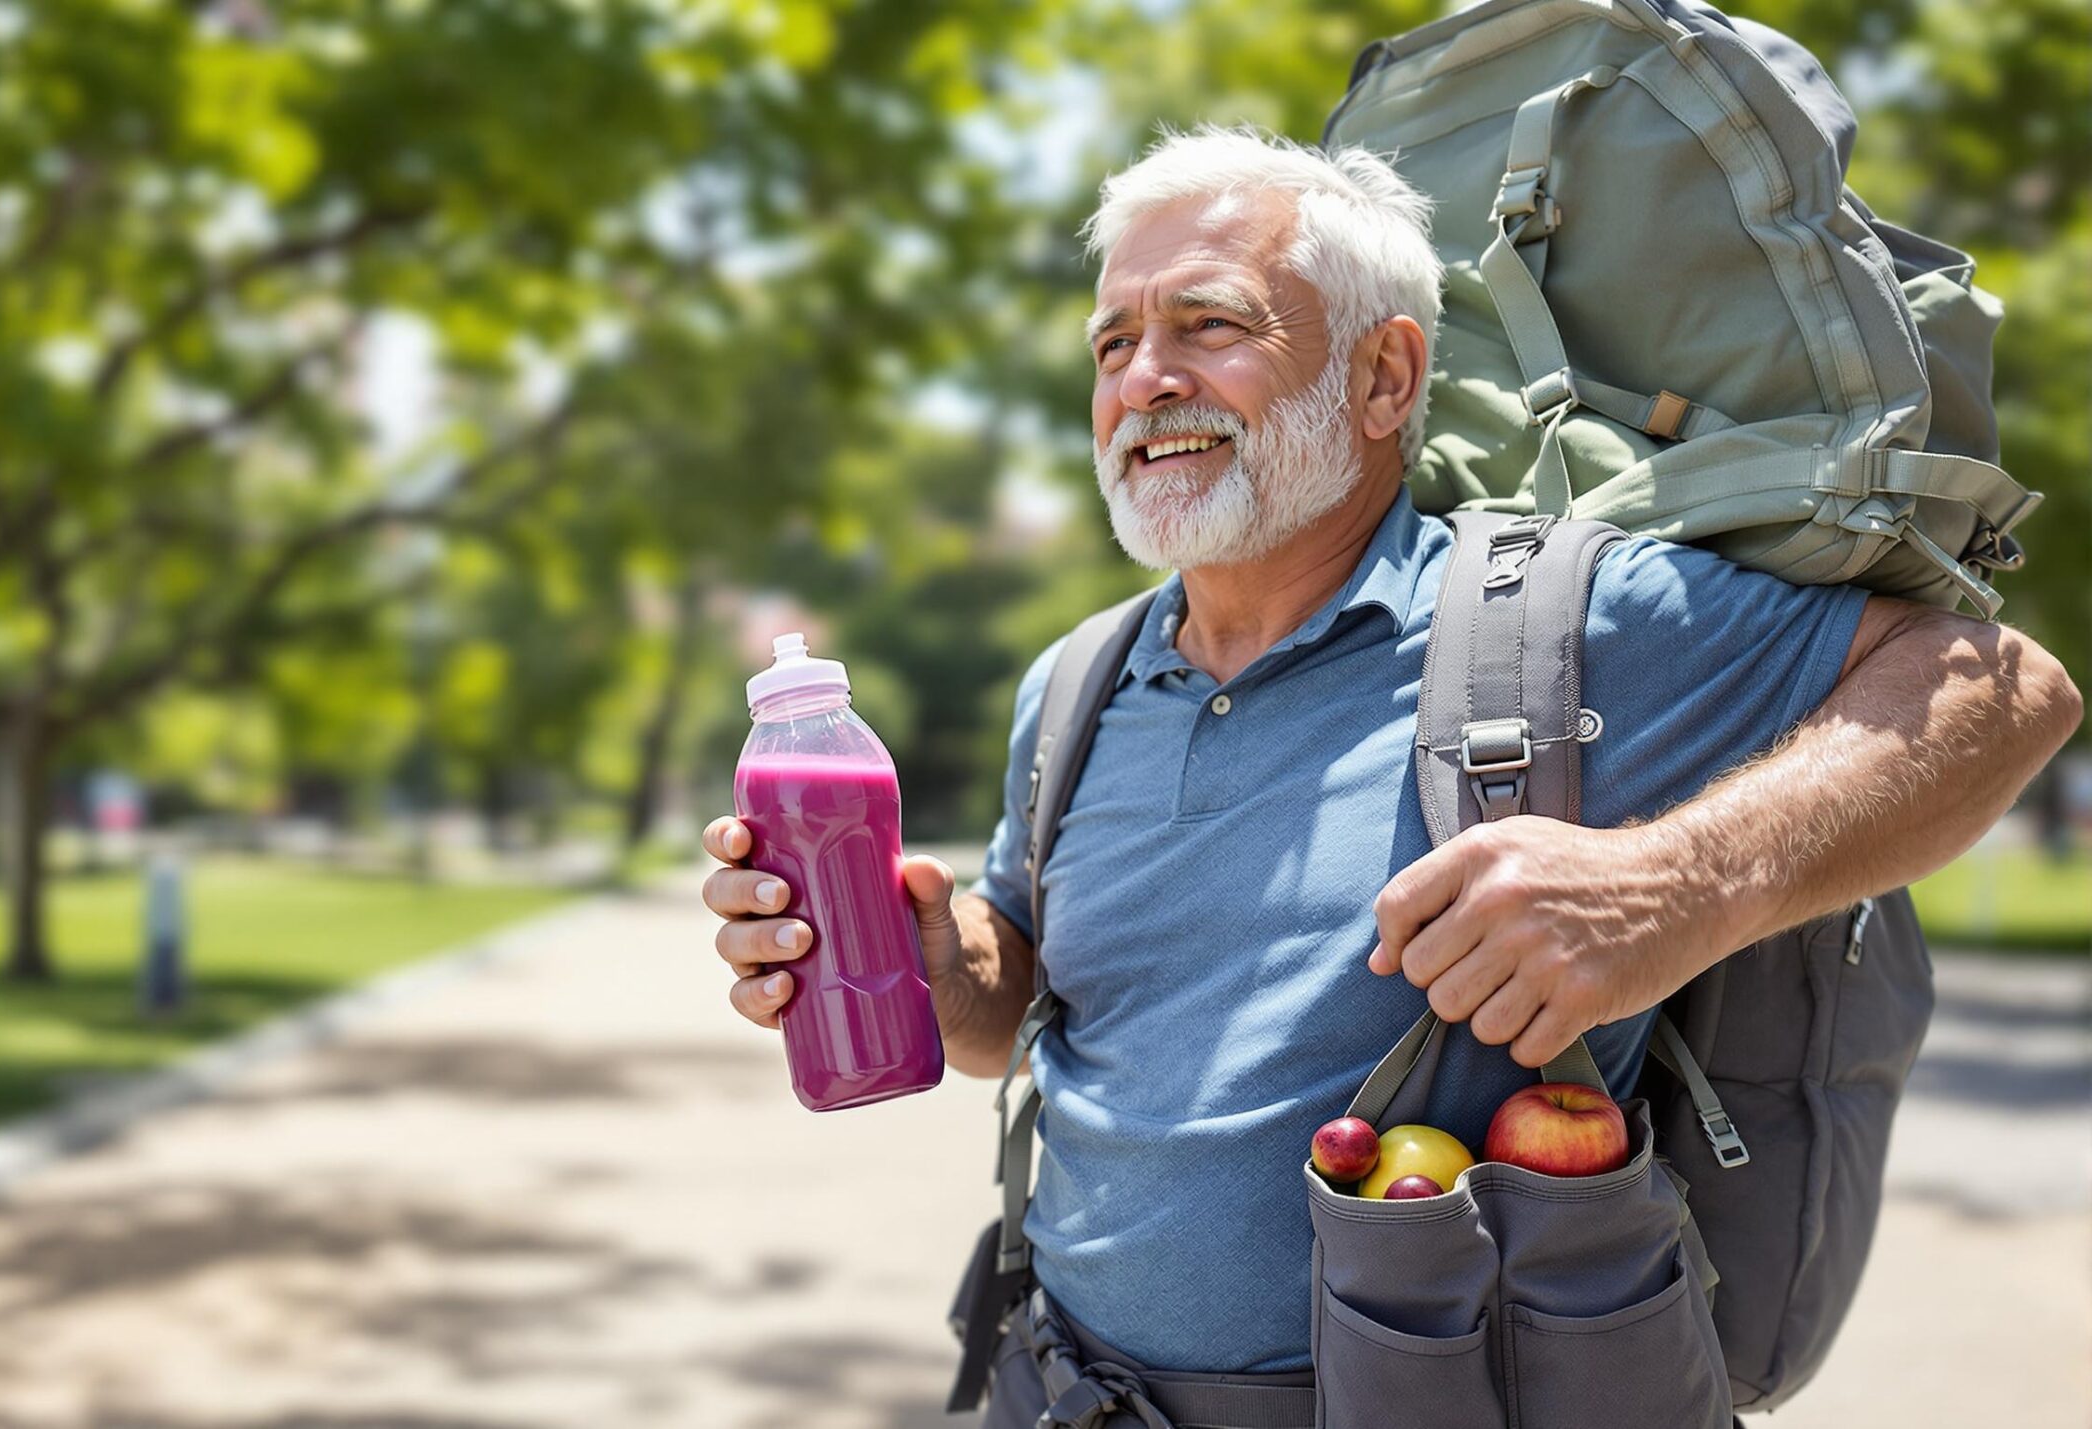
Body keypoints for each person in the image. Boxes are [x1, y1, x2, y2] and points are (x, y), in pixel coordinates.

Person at [699, 127, 2081, 1421]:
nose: (1143, 379)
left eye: (1210, 324)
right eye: (1113, 341)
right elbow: (1026, 1014)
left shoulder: (1568, 623)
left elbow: (2005, 693)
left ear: (1384, 378)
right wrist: (938, 957)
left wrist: (1675, 883)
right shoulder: (1073, 683)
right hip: (1061, 1382)